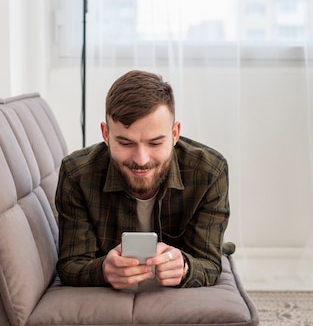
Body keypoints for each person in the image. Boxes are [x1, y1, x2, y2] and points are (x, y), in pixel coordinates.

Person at [56, 70, 231, 289]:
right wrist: (103, 270)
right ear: (105, 134)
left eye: (155, 143)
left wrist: (185, 267)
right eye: (126, 143)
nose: (141, 160)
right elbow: (70, 265)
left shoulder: (209, 172)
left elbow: (209, 264)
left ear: (175, 133)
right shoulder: (76, 174)